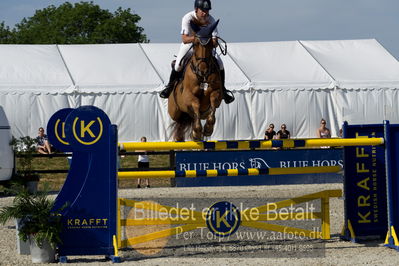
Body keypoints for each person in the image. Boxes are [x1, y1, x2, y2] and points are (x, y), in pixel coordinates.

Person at [159, 0, 234, 104]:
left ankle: (224, 90)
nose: (205, 13)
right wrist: (199, 38)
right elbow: (184, 39)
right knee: (178, 65)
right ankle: (169, 87)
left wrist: (210, 41)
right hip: (190, 44)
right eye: (203, 10)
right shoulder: (187, 17)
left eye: (207, 10)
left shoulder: (211, 20)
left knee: (220, 64)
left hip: (206, 46)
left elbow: (215, 42)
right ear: (196, 9)